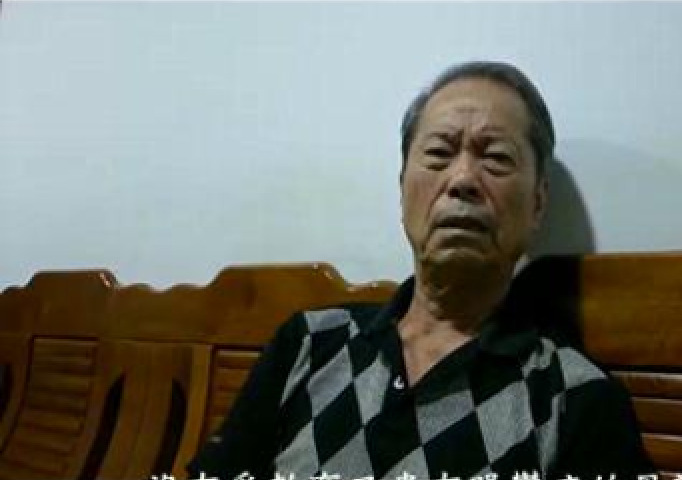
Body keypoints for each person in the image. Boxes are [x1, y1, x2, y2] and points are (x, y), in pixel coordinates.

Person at [188, 61, 655, 480]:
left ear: (537, 203)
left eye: (495, 157)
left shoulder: (576, 398)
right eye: (438, 153)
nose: (462, 179)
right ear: (402, 189)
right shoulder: (309, 345)